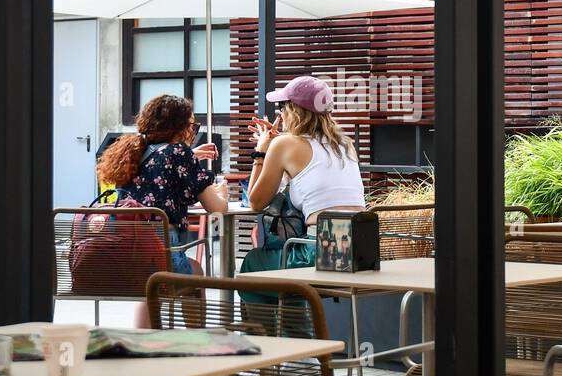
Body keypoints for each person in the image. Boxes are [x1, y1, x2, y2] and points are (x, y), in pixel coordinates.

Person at [241, 75, 366, 281]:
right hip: (361, 251)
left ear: (294, 110)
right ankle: (298, 312)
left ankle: (293, 312)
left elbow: (255, 202)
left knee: (253, 263)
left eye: (282, 106)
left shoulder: (284, 145)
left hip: (322, 252)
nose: (280, 113)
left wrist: (261, 152)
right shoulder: (345, 144)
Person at [95, 93, 228, 283]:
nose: (194, 131)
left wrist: (189, 156)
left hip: (125, 254)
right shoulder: (179, 152)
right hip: (160, 252)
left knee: (149, 289)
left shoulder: (131, 153)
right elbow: (217, 209)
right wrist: (221, 193)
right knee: (197, 272)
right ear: (180, 127)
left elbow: (157, 171)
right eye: (192, 126)